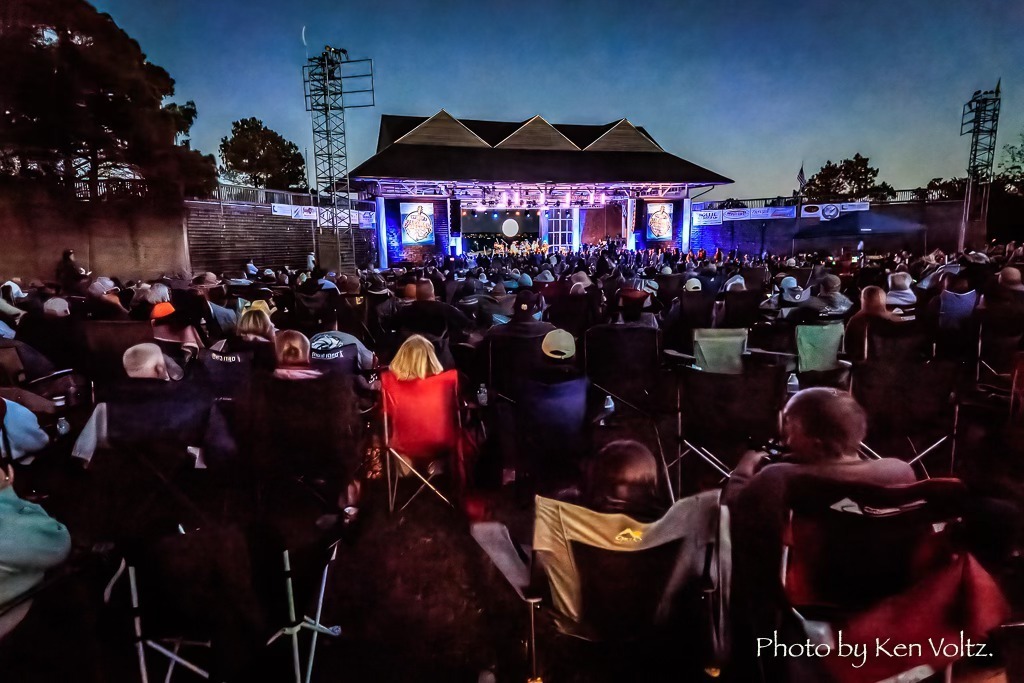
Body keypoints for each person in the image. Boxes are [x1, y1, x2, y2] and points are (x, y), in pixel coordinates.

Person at [725, 388, 916, 680]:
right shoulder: (899, 472)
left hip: (809, 597)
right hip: (890, 589)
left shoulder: (778, 479)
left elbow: (733, 512)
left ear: (814, 442)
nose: (786, 439)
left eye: (791, 428)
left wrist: (743, 471)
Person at [845, 285, 904, 360]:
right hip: (893, 363)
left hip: (863, 364)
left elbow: (848, 348)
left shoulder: (856, 320)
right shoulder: (895, 319)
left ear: (863, 299)